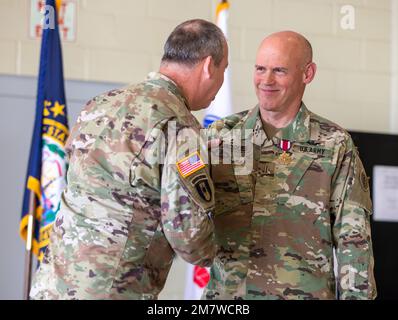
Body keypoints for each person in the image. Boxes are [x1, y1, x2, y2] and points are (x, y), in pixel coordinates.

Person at [29, 19, 229, 300]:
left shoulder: (99, 105)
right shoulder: (179, 128)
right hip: (112, 291)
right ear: (209, 66)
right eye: (224, 69)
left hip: (51, 285)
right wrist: (232, 251)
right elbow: (189, 237)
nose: (220, 83)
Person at [204, 31, 376, 300]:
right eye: (260, 69)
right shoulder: (220, 136)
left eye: (279, 71)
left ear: (307, 74)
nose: (266, 80)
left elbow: (353, 240)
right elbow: (183, 216)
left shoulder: (335, 144)